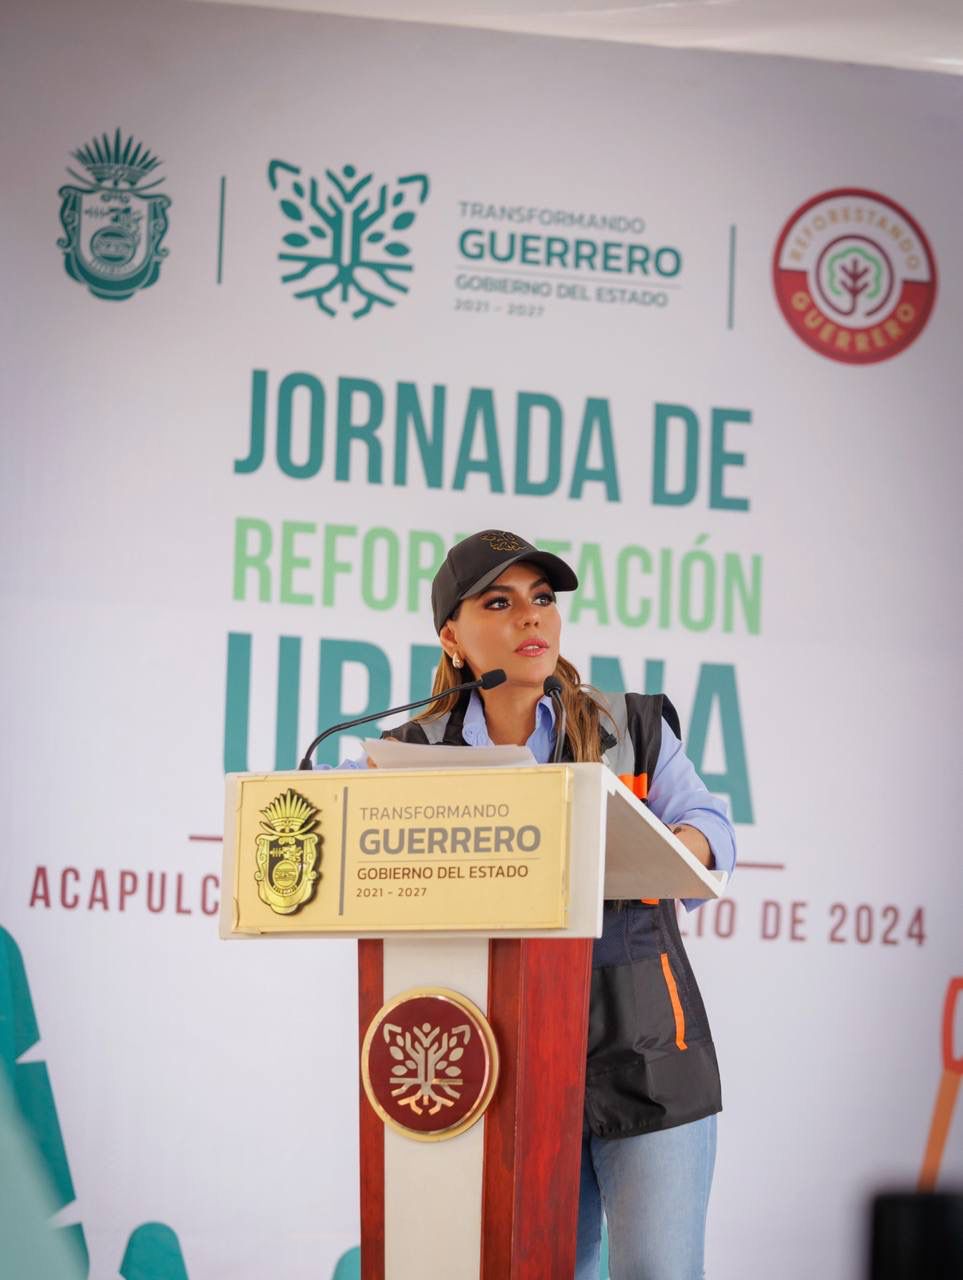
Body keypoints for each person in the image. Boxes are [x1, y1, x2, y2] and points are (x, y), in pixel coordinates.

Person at [367, 528, 736, 1280]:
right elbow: (347, 826)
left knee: (658, 1272)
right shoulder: (412, 752)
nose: (531, 616)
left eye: (541, 599)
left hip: (646, 1048)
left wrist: (670, 844)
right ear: (452, 638)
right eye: (498, 603)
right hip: (506, 1055)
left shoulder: (628, 724)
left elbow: (711, 826)